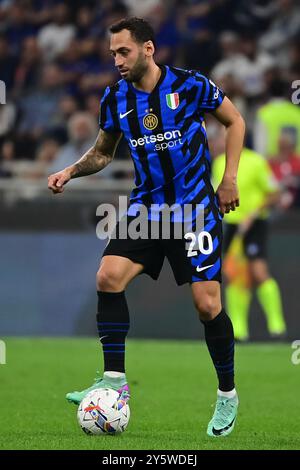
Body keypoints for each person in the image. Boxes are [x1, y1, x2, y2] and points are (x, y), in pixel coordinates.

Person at [48, 17, 245, 437]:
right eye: (113, 53)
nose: (117, 60)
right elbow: (103, 153)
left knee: (207, 306)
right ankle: (114, 381)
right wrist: (70, 171)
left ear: (148, 48)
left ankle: (227, 395)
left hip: (194, 211)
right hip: (147, 212)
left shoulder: (190, 85)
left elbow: (235, 121)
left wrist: (229, 179)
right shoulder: (114, 98)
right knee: (108, 276)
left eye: (124, 51)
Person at [213, 145, 287, 341]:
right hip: (231, 225)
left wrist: (252, 215)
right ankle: (238, 330)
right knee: (235, 275)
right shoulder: (219, 162)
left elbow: (274, 193)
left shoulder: (256, 161)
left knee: (258, 271)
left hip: (254, 224)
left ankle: (277, 326)